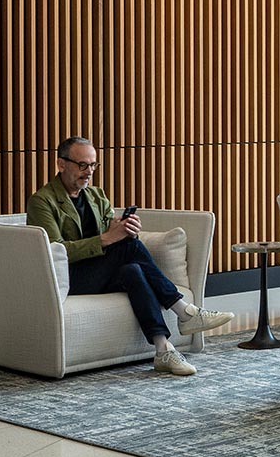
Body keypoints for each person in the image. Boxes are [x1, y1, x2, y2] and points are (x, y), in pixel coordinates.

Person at [24, 136, 232, 376]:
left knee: (132, 268)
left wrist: (124, 229)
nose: (89, 172)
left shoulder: (96, 196)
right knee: (128, 248)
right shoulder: (42, 202)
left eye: (93, 165)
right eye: (82, 165)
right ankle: (184, 311)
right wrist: (109, 238)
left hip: (99, 272)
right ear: (61, 164)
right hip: (69, 277)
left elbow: (110, 236)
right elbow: (55, 252)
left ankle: (163, 348)